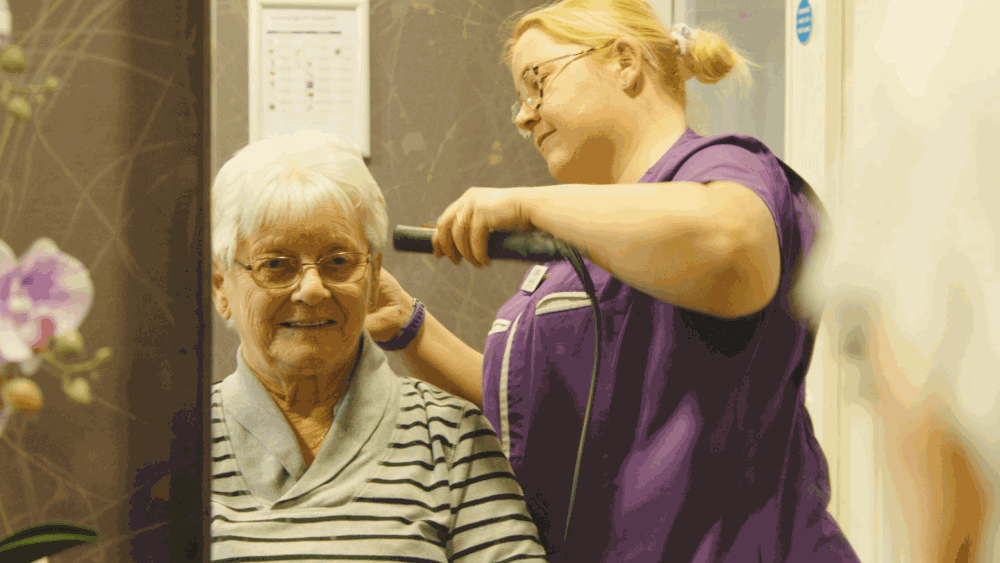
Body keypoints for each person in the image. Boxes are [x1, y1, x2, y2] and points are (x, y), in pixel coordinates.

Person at [365, 0, 862, 561]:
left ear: (624, 62)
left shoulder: (724, 168)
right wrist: (408, 328)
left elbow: (731, 244)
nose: (524, 117)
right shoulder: (586, 244)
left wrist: (529, 205)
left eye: (537, 83)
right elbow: (535, 412)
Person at [208, 130, 548, 562]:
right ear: (221, 287)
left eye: (338, 261)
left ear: (372, 275)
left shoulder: (450, 437)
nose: (312, 289)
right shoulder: (176, 441)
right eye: (276, 264)